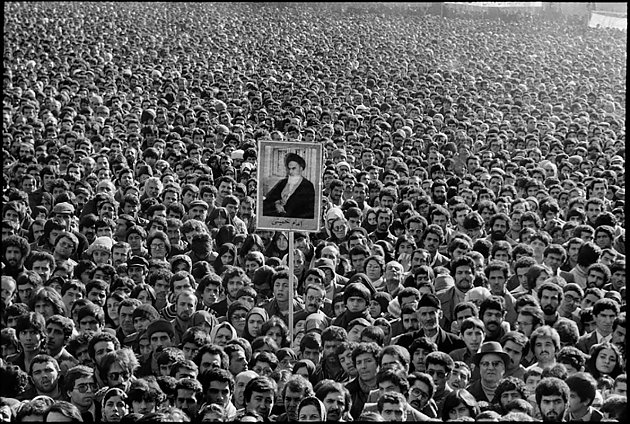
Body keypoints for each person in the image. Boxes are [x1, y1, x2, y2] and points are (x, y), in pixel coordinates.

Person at [262, 153, 315, 219]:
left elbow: (309, 211)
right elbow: (268, 201)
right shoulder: (283, 183)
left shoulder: (308, 186)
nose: (290, 172)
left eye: (293, 169)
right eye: (289, 169)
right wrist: (276, 204)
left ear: (301, 169)